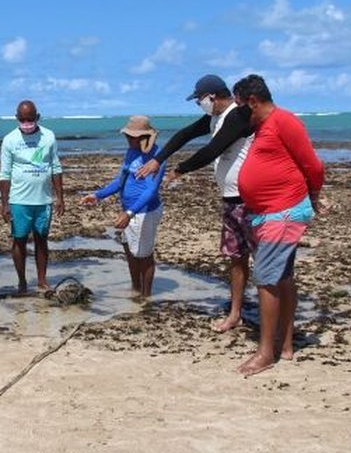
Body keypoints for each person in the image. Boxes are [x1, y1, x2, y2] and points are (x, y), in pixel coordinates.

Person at [136, 74, 254, 332]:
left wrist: (180, 170)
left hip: (251, 200)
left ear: (212, 96)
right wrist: (159, 159)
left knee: (262, 260)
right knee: (236, 258)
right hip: (231, 199)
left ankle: (271, 317)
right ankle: (236, 313)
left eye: (199, 99)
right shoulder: (214, 117)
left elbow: (213, 149)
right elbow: (185, 134)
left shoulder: (238, 115)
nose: (198, 104)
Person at [232, 74, 326, 376]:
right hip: (268, 212)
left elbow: (313, 164)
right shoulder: (260, 126)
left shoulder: (285, 121)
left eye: (240, 106)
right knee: (282, 277)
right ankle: (285, 345)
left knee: (266, 278)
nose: (239, 113)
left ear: (253, 101)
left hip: (283, 210)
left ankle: (265, 353)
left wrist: (313, 196)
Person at [81, 116, 167, 297]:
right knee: (130, 252)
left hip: (145, 211)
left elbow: (150, 191)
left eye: (132, 136)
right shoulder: (131, 152)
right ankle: (135, 290)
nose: (128, 139)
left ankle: (146, 298)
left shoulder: (157, 156)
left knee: (144, 256)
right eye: (127, 135)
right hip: (128, 212)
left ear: (143, 136)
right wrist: (98, 195)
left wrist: (129, 212)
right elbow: (120, 181)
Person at [0, 100, 64, 293]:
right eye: (22, 119)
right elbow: (5, 173)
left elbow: (55, 167)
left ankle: (42, 280)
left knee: (41, 239)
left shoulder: (48, 136)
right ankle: (22, 281)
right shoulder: (10, 140)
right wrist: (4, 204)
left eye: (30, 119)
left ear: (37, 117)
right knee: (19, 240)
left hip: (43, 200)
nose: (26, 122)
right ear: (17, 118)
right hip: (19, 201)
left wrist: (60, 197)